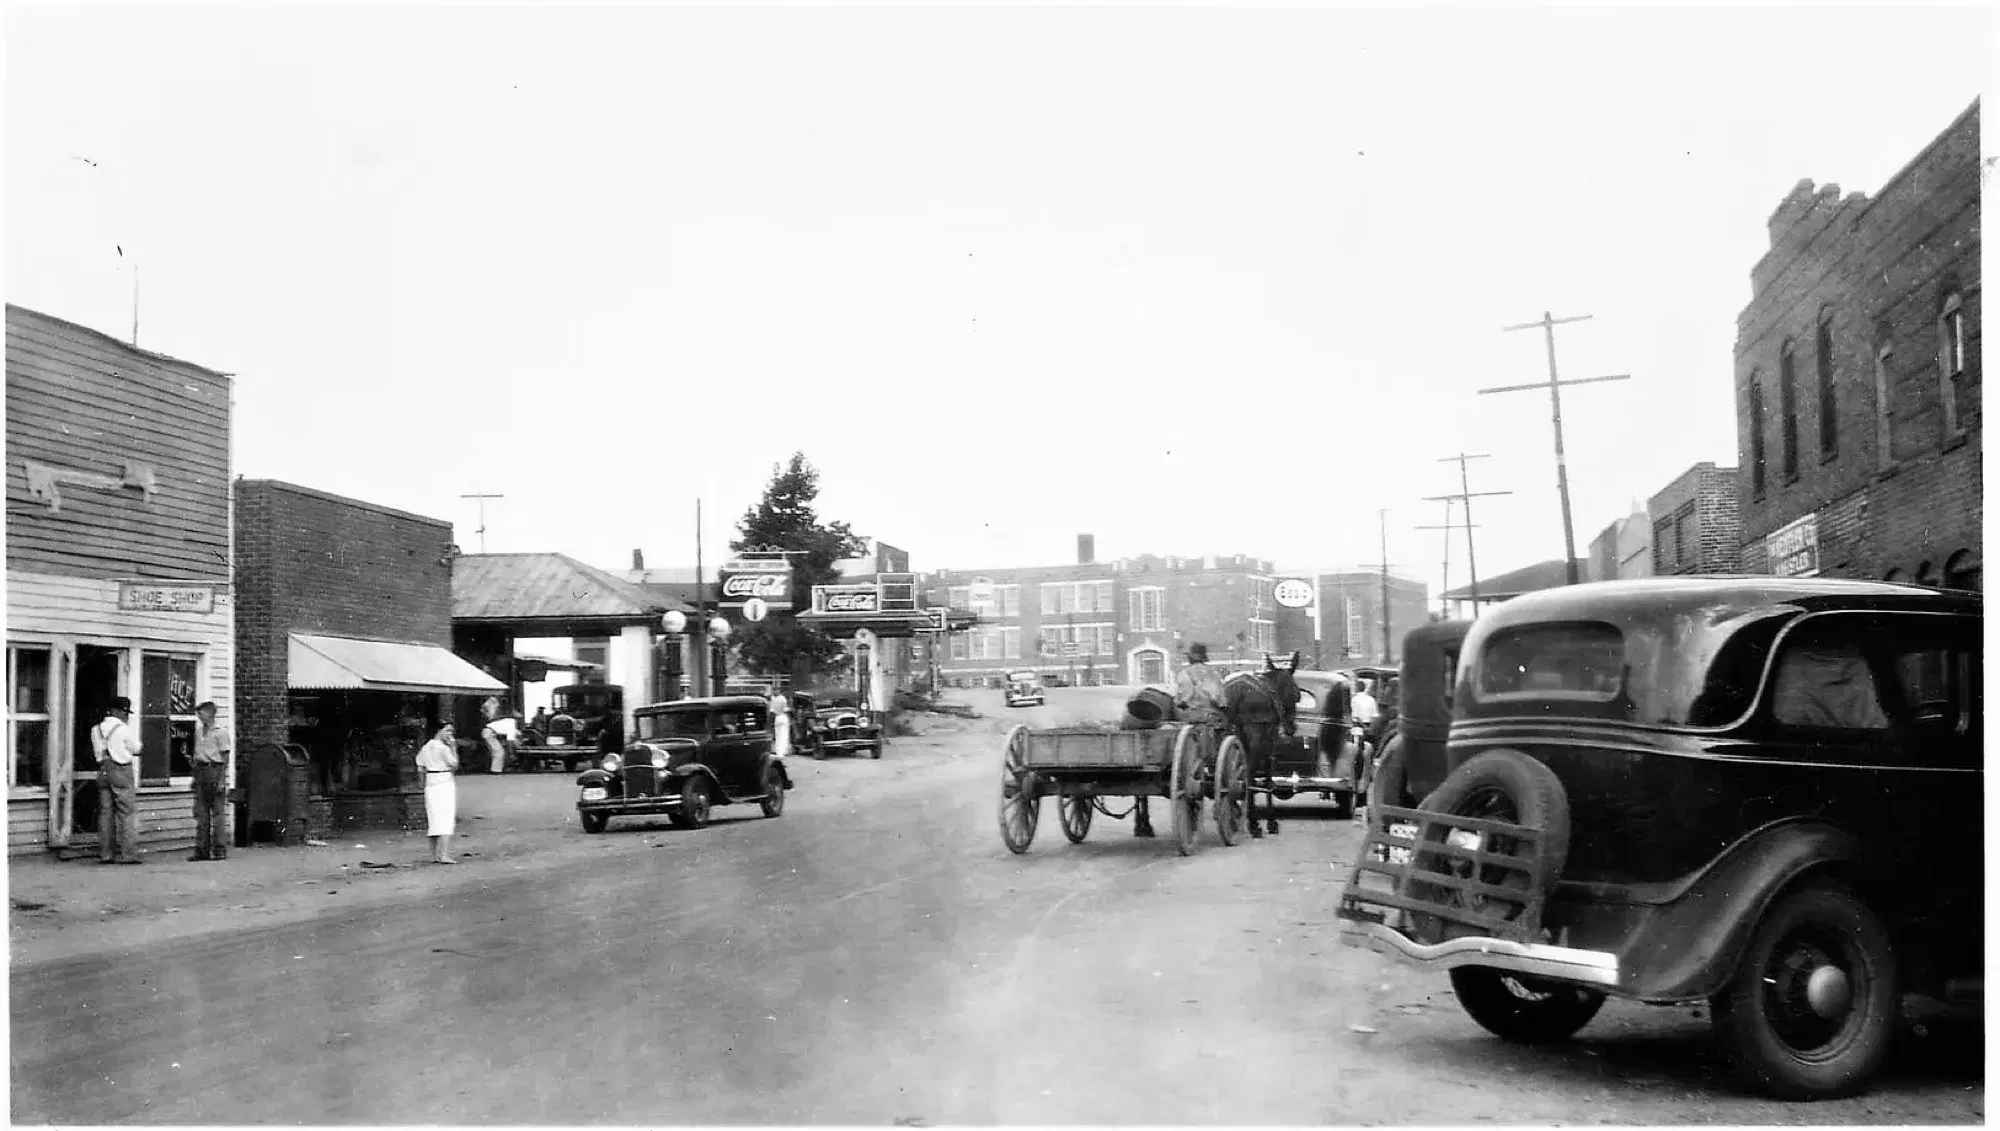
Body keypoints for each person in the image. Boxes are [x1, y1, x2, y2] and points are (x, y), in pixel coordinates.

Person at [1132, 641, 1226, 840]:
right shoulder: (1213, 674)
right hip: (1207, 720)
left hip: (1186, 721)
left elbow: (1180, 700)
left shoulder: (1183, 674)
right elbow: (1220, 700)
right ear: (1204, 657)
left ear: (1191, 658)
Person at [90, 697, 144, 864]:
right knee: (126, 813)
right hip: (121, 769)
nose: (126, 716)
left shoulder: (96, 729)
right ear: (117, 712)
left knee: (105, 813)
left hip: (103, 769)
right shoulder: (124, 729)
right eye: (125, 712)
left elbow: (97, 752)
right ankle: (128, 854)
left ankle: (106, 854)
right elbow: (137, 748)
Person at [189, 701, 232, 861]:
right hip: (201, 771)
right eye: (198, 714)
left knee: (218, 813)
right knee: (201, 813)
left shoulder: (221, 733)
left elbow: (225, 758)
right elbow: (196, 756)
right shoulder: (199, 732)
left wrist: (221, 780)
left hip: (215, 769)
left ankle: (219, 850)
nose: (200, 717)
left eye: (202, 713)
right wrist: (194, 777)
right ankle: (202, 851)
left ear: (210, 714)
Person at [415, 723, 459, 863]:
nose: (450, 734)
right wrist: (453, 747)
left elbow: (420, 766)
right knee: (446, 817)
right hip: (444, 781)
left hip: (431, 782)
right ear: (439, 731)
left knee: (434, 818)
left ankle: (433, 855)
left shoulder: (426, 747)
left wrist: (422, 783)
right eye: (447, 731)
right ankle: (444, 855)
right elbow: (454, 764)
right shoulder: (443, 748)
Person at [481, 698, 518, 774]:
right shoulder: (512, 725)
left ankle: (493, 769)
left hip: (488, 732)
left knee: (495, 752)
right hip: (489, 733)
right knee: (499, 751)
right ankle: (495, 771)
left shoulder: (509, 720)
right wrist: (511, 753)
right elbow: (510, 741)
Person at [770, 692, 792, 759]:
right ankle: (782, 752)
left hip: (777, 717)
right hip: (783, 717)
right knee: (784, 735)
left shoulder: (773, 700)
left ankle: (778, 752)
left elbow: (772, 711)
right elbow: (785, 709)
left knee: (778, 735)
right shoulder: (783, 699)